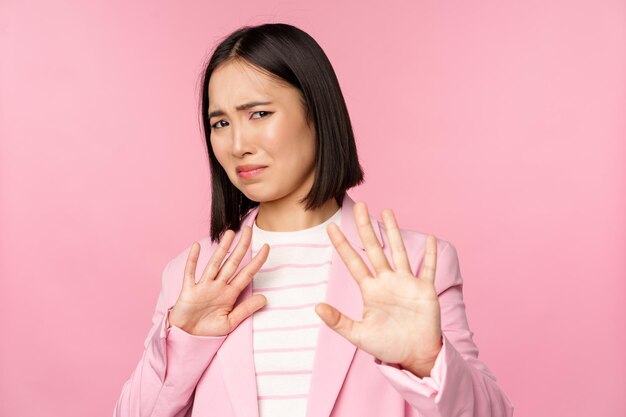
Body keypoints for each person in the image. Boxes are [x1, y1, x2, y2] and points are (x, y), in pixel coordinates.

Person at [113, 22, 514, 417]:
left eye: (259, 114)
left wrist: (429, 362)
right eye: (220, 123)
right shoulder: (192, 275)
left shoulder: (417, 263)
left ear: (317, 112)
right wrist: (183, 341)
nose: (237, 145)